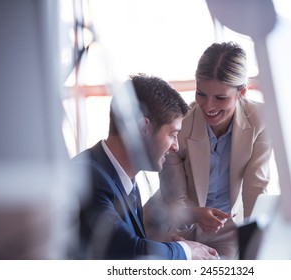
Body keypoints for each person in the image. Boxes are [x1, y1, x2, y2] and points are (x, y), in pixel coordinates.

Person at [71, 73, 219, 260]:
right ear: (143, 127)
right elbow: (125, 252)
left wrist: (166, 249)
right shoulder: (87, 176)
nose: (176, 146)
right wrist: (186, 251)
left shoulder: (126, 180)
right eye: (173, 135)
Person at [148, 41, 273, 260]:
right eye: (201, 94)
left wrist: (255, 244)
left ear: (242, 92)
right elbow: (173, 197)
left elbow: (256, 189)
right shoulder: (180, 124)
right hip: (172, 221)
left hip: (226, 228)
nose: (208, 106)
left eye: (220, 98)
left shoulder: (261, 120)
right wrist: (195, 214)